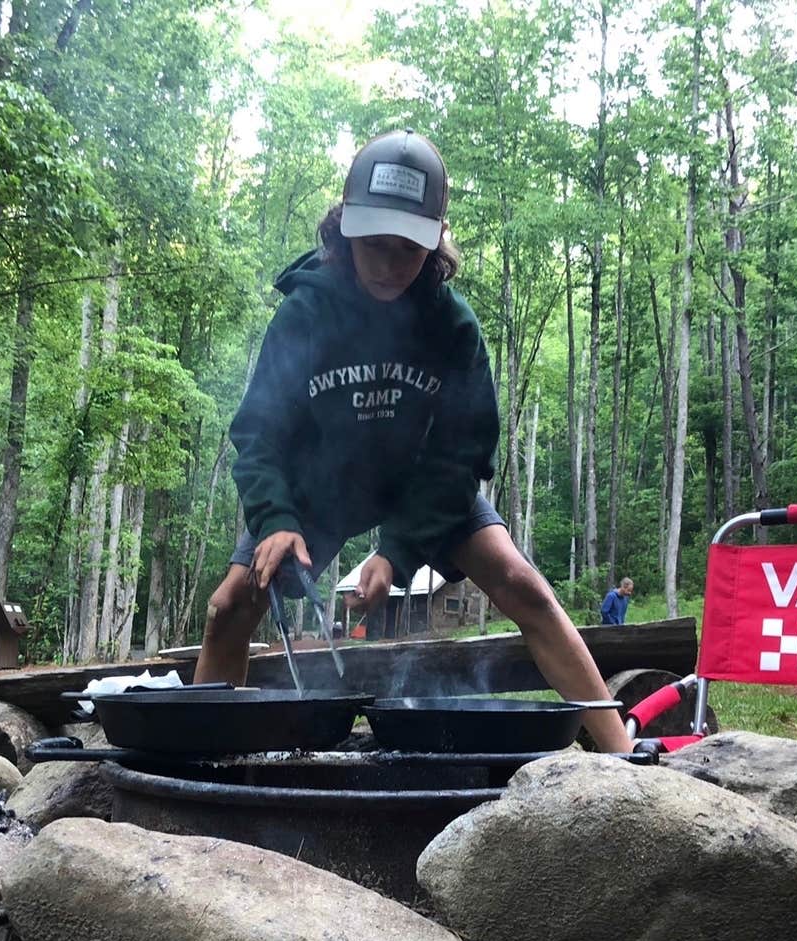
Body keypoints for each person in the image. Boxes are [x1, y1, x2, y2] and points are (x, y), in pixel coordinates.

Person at [195, 130, 635, 753]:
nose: (390, 263)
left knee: (523, 584)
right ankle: (202, 761)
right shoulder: (305, 314)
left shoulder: (451, 326)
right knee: (231, 605)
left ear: (435, 243)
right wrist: (274, 519)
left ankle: (622, 750)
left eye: (409, 248)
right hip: (320, 490)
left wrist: (396, 553)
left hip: (421, 484)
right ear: (345, 225)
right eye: (375, 244)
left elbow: (465, 453)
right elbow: (259, 431)